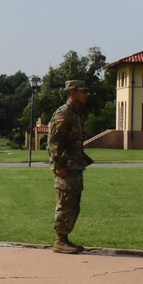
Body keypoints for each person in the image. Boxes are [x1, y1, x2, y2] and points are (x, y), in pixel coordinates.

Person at [48, 79, 94, 254]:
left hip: (75, 166)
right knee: (65, 203)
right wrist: (58, 165)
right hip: (65, 167)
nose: (86, 94)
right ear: (72, 93)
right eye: (83, 91)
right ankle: (60, 240)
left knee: (73, 204)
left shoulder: (75, 113)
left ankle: (64, 238)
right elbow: (54, 141)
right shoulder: (64, 113)